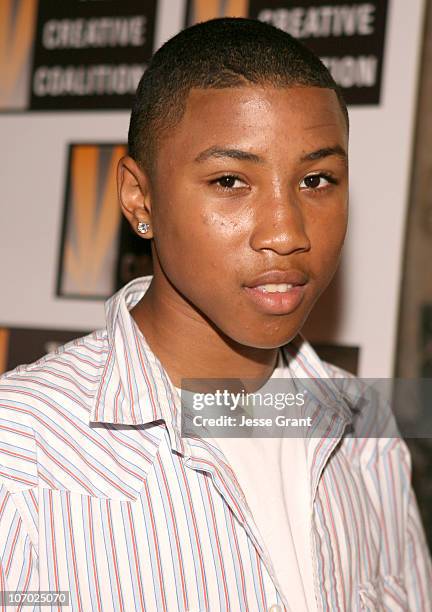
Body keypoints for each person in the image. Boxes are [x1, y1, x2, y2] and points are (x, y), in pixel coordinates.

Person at [0, 16, 431, 612]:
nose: (286, 233)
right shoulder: (19, 454)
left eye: (316, 179)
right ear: (138, 197)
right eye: (231, 180)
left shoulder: (365, 430)